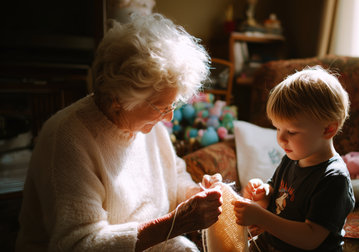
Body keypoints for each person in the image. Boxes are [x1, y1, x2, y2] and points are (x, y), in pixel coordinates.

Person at [16, 13, 224, 252]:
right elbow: (80, 245)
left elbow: (174, 177)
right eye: (162, 107)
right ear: (118, 99)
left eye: (173, 105)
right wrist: (176, 223)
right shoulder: (67, 138)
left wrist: (196, 193)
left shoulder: (148, 125)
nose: (169, 117)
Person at [233, 66, 355, 251]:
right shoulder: (292, 158)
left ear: (328, 129)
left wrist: (262, 218)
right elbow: (275, 190)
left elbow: (310, 237)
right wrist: (264, 192)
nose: (280, 139)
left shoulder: (334, 179)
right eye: (278, 128)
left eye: (291, 131)